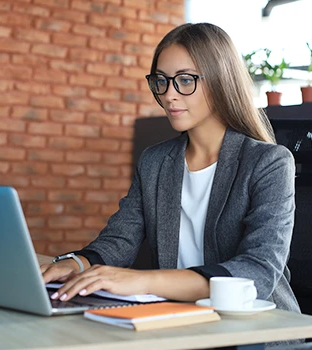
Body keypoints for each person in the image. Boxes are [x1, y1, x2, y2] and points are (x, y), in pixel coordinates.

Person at [41, 23, 300, 318]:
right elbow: (120, 241)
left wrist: (143, 280)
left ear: (220, 80)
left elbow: (257, 271)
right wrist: (72, 264)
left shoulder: (268, 163)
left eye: (185, 80)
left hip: (255, 328)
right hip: (180, 320)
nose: (168, 95)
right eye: (161, 81)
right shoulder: (155, 161)